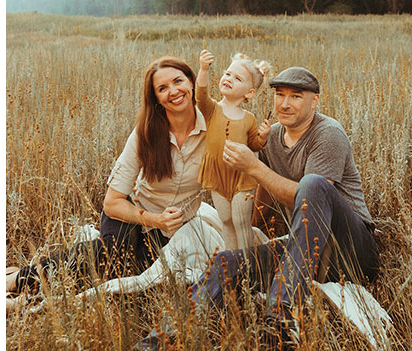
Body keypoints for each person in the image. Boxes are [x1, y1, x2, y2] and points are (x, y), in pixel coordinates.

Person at [136, 67, 380, 350]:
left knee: (312, 184)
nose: (285, 104)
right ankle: (159, 341)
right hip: (305, 250)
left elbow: (307, 197)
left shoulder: (328, 134)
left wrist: (254, 166)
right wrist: (254, 229)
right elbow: (262, 187)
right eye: (279, 95)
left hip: (351, 249)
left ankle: (280, 322)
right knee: (226, 262)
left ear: (314, 101)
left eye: (296, 97)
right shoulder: (273, 135)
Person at [7, 56, 208, 298]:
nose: (173, 91)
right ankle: (19, 279)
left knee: (136, 276)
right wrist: (156, 220)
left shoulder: (213, 128)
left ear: (192, 81)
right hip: (132, 213)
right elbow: (113, 203)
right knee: (114, 255)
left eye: (178, 81)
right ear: (155, 99)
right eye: (162, 88)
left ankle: (29, 276)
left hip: (173, 230)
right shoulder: (145, 133)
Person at [194, 49, 272, 251]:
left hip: (241, 177)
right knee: (226, 220)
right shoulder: (212, 109)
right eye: (228, 74)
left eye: (237, 78)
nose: (228, 78)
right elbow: (200, 95)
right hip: (217, 173)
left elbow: (253, 144)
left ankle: (247, 264)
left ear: (249, 93)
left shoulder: (249, 119)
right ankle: (231, 261)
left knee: (240, 221)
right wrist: (204, 69)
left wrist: (262, 138)